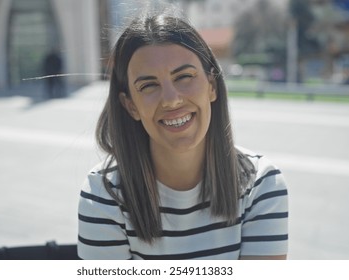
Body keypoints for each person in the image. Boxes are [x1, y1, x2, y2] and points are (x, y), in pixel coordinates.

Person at [78, 12, 288, 260]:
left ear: (212, 85)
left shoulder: (261, 184)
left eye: (184, 77)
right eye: (148, 85)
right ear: (130, 105)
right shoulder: (104, 194)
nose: (171, 99)